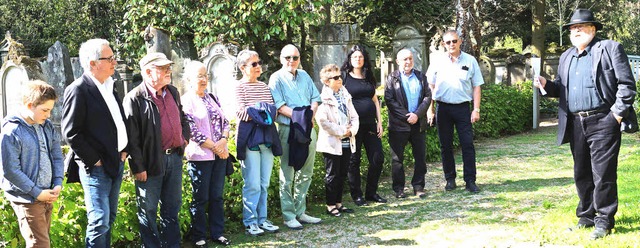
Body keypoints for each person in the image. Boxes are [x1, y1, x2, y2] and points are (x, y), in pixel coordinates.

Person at [535, 9, 637, 240]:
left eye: (582, 26)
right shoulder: (566, 57)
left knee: (603, 173)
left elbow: (626, 85)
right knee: (581, 172)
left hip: (604, 120)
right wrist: (546, 84)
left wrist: (617, 115)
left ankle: (604, 221)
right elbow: (561, 89)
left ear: (593, 29)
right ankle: (587, 216)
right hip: (576, 123)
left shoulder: (610, 48)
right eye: (573, 28)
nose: (576, 31)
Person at [62, 38, 129, 247]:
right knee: (99, 221)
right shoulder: (78, 90)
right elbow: (71, 133)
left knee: (109, 219)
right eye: (108, 58)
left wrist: (124, 149)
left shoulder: (109, 86)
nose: (114, 62)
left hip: (116, 162)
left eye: (113, 58)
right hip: (96, 168)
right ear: (92, 63)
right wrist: (95, 160)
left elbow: (118, 121)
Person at [123, 52, 190, 247]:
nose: (169, 71)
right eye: (163, 68)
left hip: (175, 158)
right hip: (151, 162)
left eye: (168, 67)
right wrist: (138, 167)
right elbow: (132, 138)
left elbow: (182, 117)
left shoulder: (172, 92)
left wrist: (184, 138)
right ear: (147, 72)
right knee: (148, 210)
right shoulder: (134, 98)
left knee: (172, 207)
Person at [1, 80, 63, 248]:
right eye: (45, 110)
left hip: (47, 194)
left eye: (50, 110)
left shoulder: (46, 126)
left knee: (42, 243)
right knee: (39, 245)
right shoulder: (12, 131)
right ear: (29, 105)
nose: (48, 115)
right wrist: (36, 192)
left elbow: (57, 155)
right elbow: (11, 170)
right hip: (27, 198)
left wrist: (57, 182)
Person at [269, 44, 322, 230]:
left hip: (308, 129)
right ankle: (288, 215)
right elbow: (280, 106)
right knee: (288, 173)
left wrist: (310, 116)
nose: (291, 61)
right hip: (288, 129)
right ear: (281, 59)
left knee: (306, 172)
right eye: (287, 58)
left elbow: (315, 98)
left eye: (295, 57)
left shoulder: (305, 75)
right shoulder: (275, 79)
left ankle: (301, 211)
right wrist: (303, 117)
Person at [180, 61, 232, 247]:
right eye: (199, 76)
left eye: (205, 75)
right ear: (189, 79)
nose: (204, 79)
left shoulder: (212, 97)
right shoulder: (186, 101)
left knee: (217, 196)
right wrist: (216, 147)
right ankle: (199, 236)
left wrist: (224, 141)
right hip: (200, 157)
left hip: (219, 155)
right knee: (200, 198)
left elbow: (225, 122)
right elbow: (192, 131)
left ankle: (217, 233)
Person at [426, 30, 484, 193]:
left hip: (463, 108)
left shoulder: (470, 60)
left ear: (460, 42)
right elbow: (430, 86)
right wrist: (430, 110)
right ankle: (450, 179)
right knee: (446, 146)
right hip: (442, 108)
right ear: (443, 44)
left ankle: (470, 180)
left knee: (467, 144)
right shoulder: (437, 62)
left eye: (454, 41)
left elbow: (477, 86)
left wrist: (476, 109)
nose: (451, 44)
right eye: (448, 42)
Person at [234, 50, 282, 236]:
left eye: (258, 62)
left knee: (264, 182)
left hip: (267, 138)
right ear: (243, 68)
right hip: (250, 139)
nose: (258, 67)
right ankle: (250, 221)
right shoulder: (238, 87)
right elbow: (241, 113)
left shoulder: (263, 86)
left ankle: (262, 219)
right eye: (253, 64)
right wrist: (262, 110)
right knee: (252, 183)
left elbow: (273, 111)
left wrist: (258, 111)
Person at [340, 45, 387, 206]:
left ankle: (371, 193)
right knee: (354, 160)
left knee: (377, 158)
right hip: (353, 127)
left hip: (370, 125)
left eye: (360, 57)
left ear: (364, 59)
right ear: (350, 60)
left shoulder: (368, 77)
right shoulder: (344, 78)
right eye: (355, 57)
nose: (358, 59)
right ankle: (357, 195)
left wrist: (379, 122)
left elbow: (375, 100)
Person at [384, 48, 432, 199]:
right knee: (397, 159)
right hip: (399, 125)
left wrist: (417, 115)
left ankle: (419, 187)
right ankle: (399, 189)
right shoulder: (392, 78)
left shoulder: (420, 76)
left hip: (418, 124)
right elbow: (390, 100)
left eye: (410, 58)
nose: (408, 61)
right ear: (398, 61)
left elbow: (427, 97)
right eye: (404, 59)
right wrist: (407, 117)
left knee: (420, 157)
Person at [316, 64, 359, 217]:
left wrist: (351, 131)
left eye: (340, 76)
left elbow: (354, 116)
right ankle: (330, 204)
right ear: (327, 81)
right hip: (332, 142)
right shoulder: (323, 99)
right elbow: (323, 122)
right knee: (332, 174)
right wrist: (342, 131)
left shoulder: (345, 95)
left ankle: (339, 202)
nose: (339, 79)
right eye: (335, 77)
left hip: (347, 140)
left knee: (342, 173)